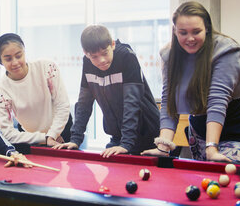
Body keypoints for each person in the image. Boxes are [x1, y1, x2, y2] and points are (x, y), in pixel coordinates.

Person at [141, 1, 240, 165]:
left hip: (238, 131)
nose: (190, 38)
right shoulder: (169, 55)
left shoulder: (226, 50)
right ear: (175, 31)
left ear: (206, 28)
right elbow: (169, 102)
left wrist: (212, 148)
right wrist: (163, 146)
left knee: (223, 175)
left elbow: (217, 101)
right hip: (200, 132)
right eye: (183, 32)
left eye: (196, 31)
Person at [53, 25, 160, 157]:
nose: (101, 60)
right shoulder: (87, 62)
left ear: (113, 44)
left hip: (149, 135)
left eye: (105, 53)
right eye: (94, 57)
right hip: (118, 137)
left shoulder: (126, 56)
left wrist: (126, 144)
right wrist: (75, 139)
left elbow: (131, 103)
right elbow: (84, 104)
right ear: (86, 53)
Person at [0, 33, 72, 147]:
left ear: (24, 52)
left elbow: (62, 104)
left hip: (62, 127)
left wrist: (53, 134)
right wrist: (44, 138)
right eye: (8, 59)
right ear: (1, 61)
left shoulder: (47, 67)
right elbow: (7, 132)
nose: (15, 62)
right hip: (32, 137)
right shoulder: (0, 92)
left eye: (19, 56)